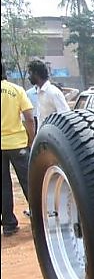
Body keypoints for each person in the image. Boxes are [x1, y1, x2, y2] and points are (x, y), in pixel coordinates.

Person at [1, 62, 36, 237]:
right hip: (17, 144)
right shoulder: (16, 90)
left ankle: (8, 225)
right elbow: (29, 117)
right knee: (29, 181)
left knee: (3, 186)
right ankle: (38, 218)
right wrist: (31, 139)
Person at [27, 60, 70, 124]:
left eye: (30, 74)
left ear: (36, 74)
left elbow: (65, 117)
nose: (29, 77)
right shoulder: (39, 92)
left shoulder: (53, 92)